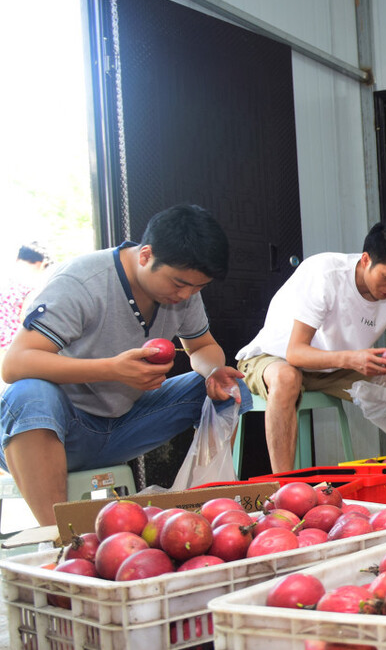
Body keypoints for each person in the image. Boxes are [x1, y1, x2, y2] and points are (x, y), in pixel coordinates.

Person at [0, 205, 249, 526]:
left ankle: (206, 513)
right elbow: (14, 363)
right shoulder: (81, 281)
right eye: (179, 283)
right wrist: (111, 369)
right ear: (145, 255)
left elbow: (202, 346)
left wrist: (213, 372)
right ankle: (61, 537)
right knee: (28, 393)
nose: (185, 294)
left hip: (122, 427)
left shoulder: (184, 292)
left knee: (229, 389)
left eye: (197, 288)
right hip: (59, 431)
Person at [236, 221, 386, 473]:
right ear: (365, 260)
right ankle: (284, 490)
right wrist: (352, 359)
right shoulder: (325, 274)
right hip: (274, 358)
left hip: (334, 369)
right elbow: (295, 353)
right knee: (287, 378)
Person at [0, 242, 53, 352]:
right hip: (12, 345)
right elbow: (25, 316)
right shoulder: (34, 285)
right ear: (43, 263)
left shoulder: (6, 279)